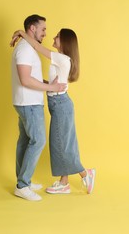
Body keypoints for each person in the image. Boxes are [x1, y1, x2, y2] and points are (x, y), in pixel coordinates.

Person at [10, 27, 96, 195]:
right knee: (61, 144)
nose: (54, 37)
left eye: (58, 36)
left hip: (60, 104)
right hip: (59, 103)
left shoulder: (61, 58)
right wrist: (45, 84)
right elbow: (51, 85)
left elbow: (36, 46)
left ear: (64, 42)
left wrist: (22, 33)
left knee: (61, 145)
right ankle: (64, 182)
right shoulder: (61, 60)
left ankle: (86, 173)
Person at [11, 14, 67, 201]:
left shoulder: (28, 47)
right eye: (43, 29)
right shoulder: (25, 49)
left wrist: (44, 82)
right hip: (29, 103)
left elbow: (30, 77)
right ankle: (22, 185)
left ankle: (22, 180)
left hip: (26, 101)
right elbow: (25, 79)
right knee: (38, 141)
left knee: (25, 141)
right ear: (32, 28)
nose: (45, 33)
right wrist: (52, 87)